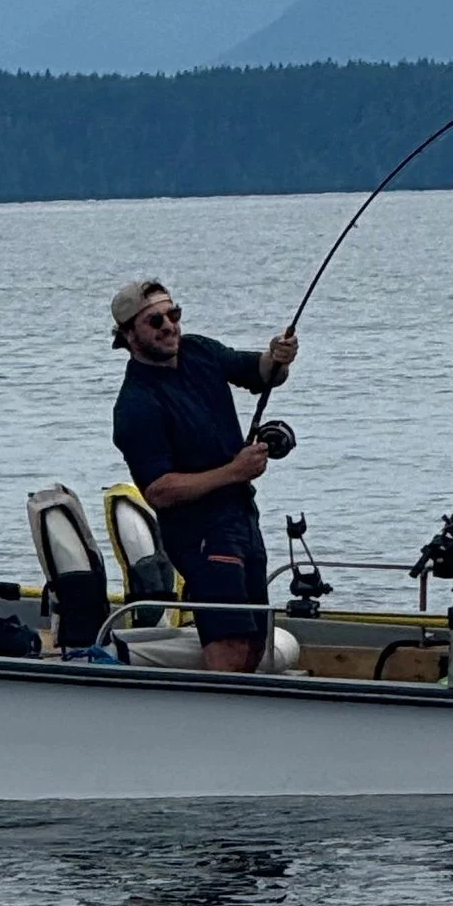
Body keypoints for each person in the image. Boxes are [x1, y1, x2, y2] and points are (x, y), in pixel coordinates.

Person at [110, 279, 298, 672]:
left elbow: (262, 372)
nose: (169, 326)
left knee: (255, 640)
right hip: (200, 535)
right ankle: (217, 706)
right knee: (228, 640)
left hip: (243, 519)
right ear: (128, 335)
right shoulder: (136, 405)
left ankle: (240, 706)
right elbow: (159, 491)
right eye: (154, 321)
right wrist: (234, 471)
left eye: (173, 314)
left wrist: (279, 356)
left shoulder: (199, 350)